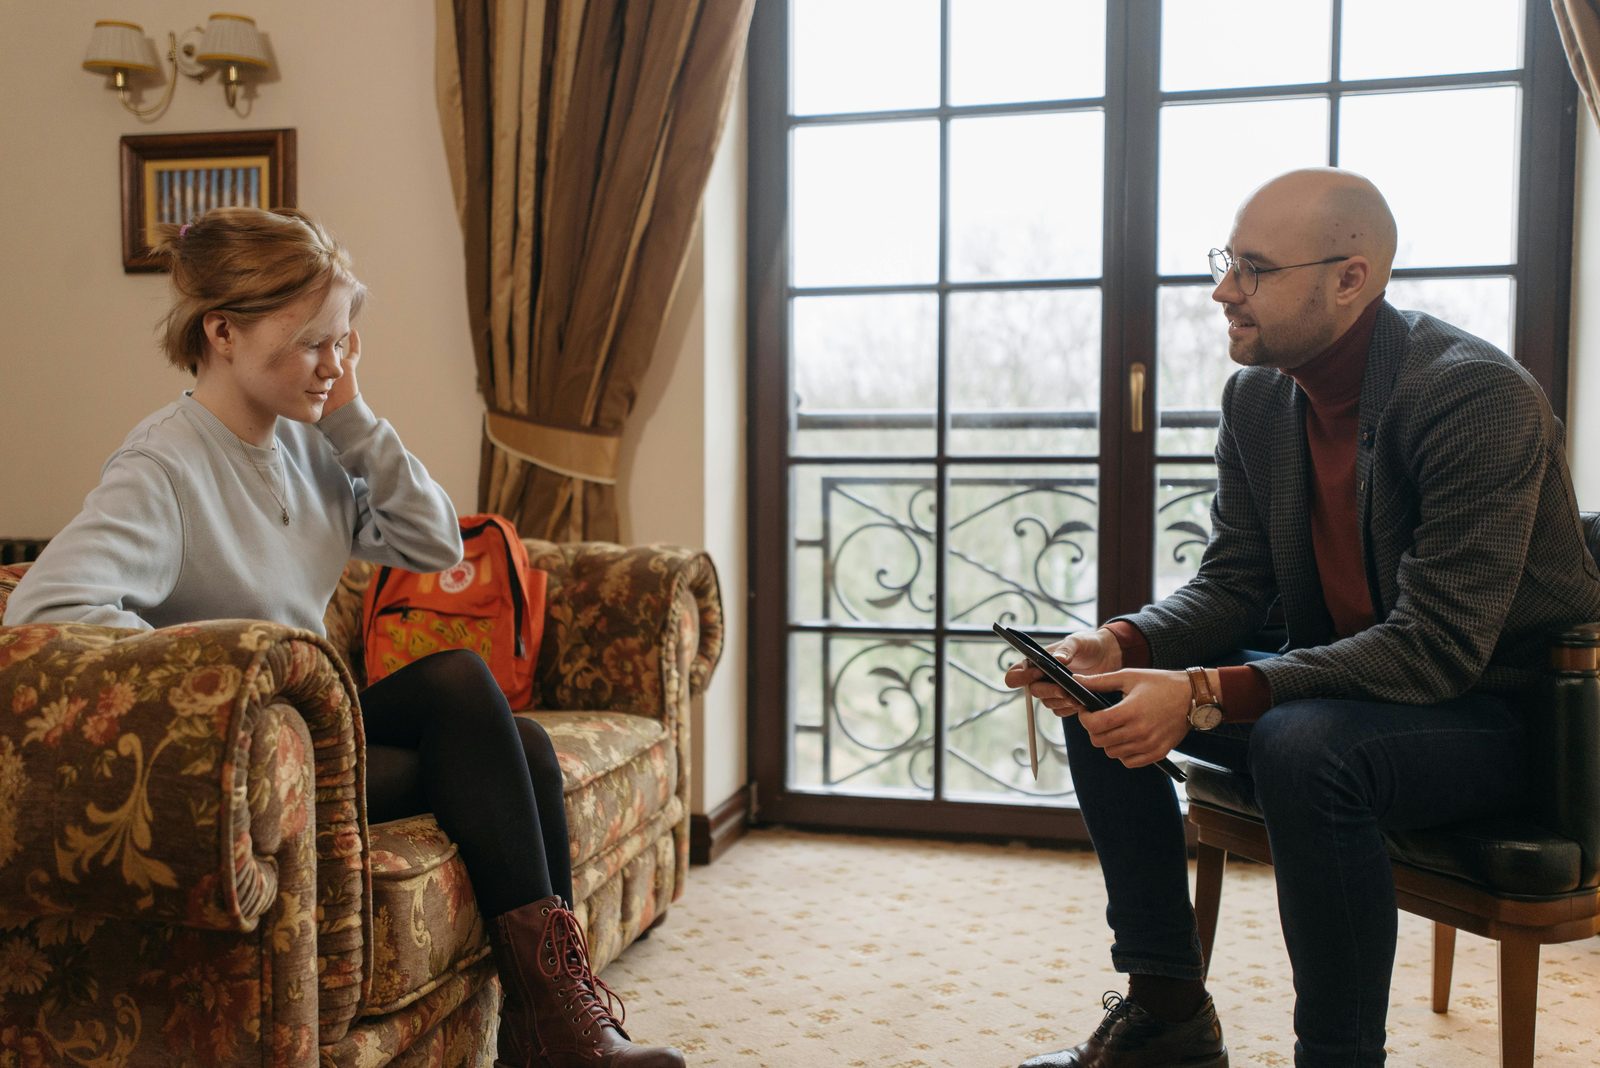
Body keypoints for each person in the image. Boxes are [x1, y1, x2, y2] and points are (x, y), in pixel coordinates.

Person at [2, 207, 685, 1068]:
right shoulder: (162, 470)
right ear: (222, 331)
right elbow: (43, 613)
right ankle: (558, 1033)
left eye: (344, 340)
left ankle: (549, 1028)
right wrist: (219, 681)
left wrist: (352, 417)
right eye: (314, 342)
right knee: (462, 691)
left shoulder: (309, 444)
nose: (335, 364)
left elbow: (435, 545)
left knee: (522, 745)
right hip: (254, 769)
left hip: (323, 738)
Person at [1005, 168, 1600, 1068]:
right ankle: (1167, 1018)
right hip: (1354, 687)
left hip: (1504, 713)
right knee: (1106, 699)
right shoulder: (1257, 399)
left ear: (1350, 278)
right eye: (1226, 263)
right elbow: (1236, 582)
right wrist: (1122, 642)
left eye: (1252, 269)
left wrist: (1203, 691)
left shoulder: (1475, 397)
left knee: (1302, 744)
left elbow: (1437, 648)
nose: (1222, 292)